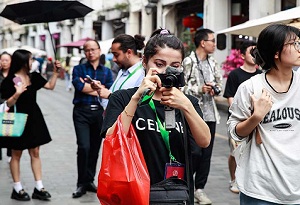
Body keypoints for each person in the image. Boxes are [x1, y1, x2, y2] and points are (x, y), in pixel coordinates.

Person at [101, 28, 211, 204]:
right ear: (144, 62)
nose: (166, 71)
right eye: (159, 64)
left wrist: (186, 106)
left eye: (175, 66)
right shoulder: (123, 98)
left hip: (177, 194)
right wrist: (137, 97)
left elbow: (204, 141)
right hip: (135, 191)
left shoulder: (186, 101)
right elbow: (111, 137)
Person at [228, 24, 300, 204]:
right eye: (295, 44)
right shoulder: (251, 88)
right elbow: (234, 132)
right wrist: (256, 117)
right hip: (260, 188)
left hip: (296, 184)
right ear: (276, 53)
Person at [0, 49, 61, 201]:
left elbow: (51, 86)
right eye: (30, 59)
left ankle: (39, 187)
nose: (32, 61)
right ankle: (17, 188)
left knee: (35, 152)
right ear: (23, 62)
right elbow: (7, 104)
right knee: (16, 154)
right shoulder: (10, 80)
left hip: (34, 118)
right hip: (17, 119)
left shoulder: (33, 77)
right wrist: (17, 93)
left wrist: (55, 72)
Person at [182, 28, 222, 204]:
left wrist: (214, 88)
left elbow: (220, 84)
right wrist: (199, 89)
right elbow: (180, 88)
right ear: (202, 42)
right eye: (212, 40)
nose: (214, 44)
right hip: (192, 114)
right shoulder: (188, 61)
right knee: (194, 153)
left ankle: (199, 189)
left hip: (210, 115)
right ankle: (187, 187)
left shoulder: (213, 63)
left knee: (206, 155)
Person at [71, 39, 113, 198]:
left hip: (99, 114)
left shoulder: (107, 71)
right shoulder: (78, 69)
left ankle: (89, 180)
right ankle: (81, 183)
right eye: (87, 50)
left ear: (99, 50)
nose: (90, 52)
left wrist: (94, 88)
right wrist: (98, 88)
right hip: (81, 112)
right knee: (84, 147)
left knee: (95, 148)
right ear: (84, 52)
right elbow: (80, 87)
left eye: (93, 49)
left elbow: (109, 91)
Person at [223, 40, 262, 194]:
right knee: (235, 151)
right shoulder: (235, 74)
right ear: (242, 54)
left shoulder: (261, 75)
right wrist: (243, 114)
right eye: (251, 52)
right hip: (240, 119)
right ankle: (234, 179)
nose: (254, 56)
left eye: (256, 52)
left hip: (257, 120)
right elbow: (230, 97)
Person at [95, 34, 146, 109]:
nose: (113, 59)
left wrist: (110, 96)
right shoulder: (122, 71)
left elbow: (139, 103)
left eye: (116, 55)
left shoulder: (143, 73)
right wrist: (101, 90)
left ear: (129, 52)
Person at [0, 52, 12, 163]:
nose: (4, 62)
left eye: (6, 60)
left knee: (9, 131)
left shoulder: (15, 75)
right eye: (2, 60)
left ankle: (10, 153)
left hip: (10, 106)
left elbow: (20, 87)